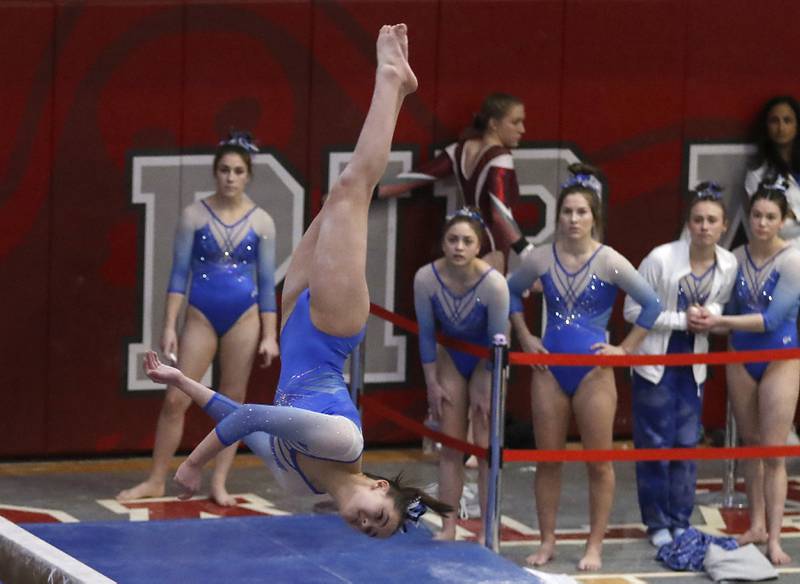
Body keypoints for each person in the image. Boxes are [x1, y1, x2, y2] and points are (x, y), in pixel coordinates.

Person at [141, 24, 453, 537]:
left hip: (293, 322)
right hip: (331, 329)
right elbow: (250, 421)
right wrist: (193, 463)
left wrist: (182, 382)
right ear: (378, 487)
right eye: (379, 516)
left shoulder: (298, 486)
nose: (366, 523)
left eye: (371, 530)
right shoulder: (342, 442)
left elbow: (238, 412)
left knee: (337, 198)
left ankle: (399, 85)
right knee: (353, 189)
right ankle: (392, 80)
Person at [507, 163, 662, 571]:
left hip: (594, 372)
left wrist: (624, 350)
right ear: (557, 216)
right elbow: (508, 292)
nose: (573, 219)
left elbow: (653, 304)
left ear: (595, 217)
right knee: (548, 459)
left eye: (581, 212)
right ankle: (547, 541)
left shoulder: (609, 260)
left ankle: (594, 545)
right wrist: (525, 337)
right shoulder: (541, 258)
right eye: (567, 212)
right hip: (550, 369)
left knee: (599, 461)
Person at [118, 131, 280, 506]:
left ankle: (220, 482)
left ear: (248, 175)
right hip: (201, 315)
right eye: (224, 170)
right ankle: (157, 478)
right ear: (214, 172)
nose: (230, 177)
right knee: (176, 399)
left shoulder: (263, 223)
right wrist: (168, 327)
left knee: (233, 403)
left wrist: (270, 335)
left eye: (238, 171)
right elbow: (178, 276)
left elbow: (268, 282)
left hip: (245, 316)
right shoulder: (193, 216)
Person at [623, 182, 738, 548]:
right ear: (688, 224)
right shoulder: (660, 259)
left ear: (723, 226)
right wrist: (680, 320)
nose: (704, 226)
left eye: (712, 220)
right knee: (654, 444)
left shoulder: (729, 262)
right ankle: (656, 522)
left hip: (693, 364)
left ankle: (680, 520)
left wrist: (712, 316)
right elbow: (631, 309)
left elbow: (722, 304)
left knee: (686, 443)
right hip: (656, 362)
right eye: (698, 219)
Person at [696, 180, 800, 564]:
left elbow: (772, 320)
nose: (761, 223)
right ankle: (756, 524)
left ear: (784, 220)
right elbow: (715, 298)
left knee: (773, 452)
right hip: (741, 357)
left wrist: (719, 322)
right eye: (756, 215)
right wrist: (707, 316)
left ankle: (774, 537)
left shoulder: (793, 260)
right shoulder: (734, 257)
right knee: (750, 445)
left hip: (780, 357)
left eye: (770, 217)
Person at [413, 207, 510, 542]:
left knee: (484, 447)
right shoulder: (426, 278)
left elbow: (498, 340)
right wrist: (431, 384)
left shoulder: (494, 285)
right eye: (452, 239)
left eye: (467, 241)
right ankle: (449, 524)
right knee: (451, 446)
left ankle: (486, 527)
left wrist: (487, 384)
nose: (458, 246)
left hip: (486, 359)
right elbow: (426, 334)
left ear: (478, 246)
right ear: (443, 243)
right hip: (452, 356)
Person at [378, 92, 530, 273]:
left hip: (465, 240)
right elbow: (499, 214)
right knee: (488, 299)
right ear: (493, 124)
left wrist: (367, 192)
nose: (522, 129)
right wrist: (526, 250)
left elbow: (415, 178)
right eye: (515, 122)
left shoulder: (458, 150)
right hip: (491, 244)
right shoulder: (500, 158)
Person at [744, 96, 800, 244]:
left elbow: (779, 218)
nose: (781, 128)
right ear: (766, 126)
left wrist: (792, 214)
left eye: (787, 121)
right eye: (774, 121)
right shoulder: (758, 173)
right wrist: (782, 215)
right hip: (781, 254)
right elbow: (767, 226)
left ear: (797, 126)